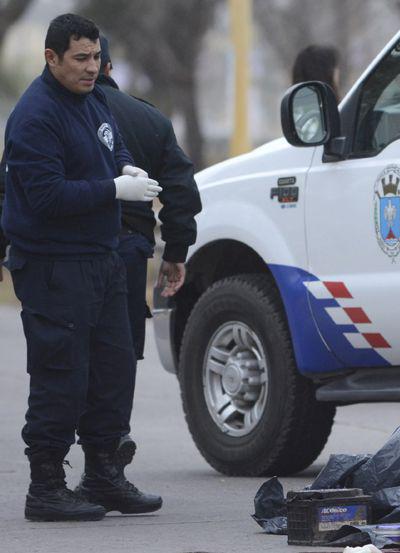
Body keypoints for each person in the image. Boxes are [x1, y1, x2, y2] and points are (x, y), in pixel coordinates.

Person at [0, 14, 162, 522]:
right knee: (61, 376)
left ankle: (103, 475)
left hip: (102, 259)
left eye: (95, 57)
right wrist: (114, 190)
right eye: (80, 59)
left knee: (111, 373)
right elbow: (46, 196)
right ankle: (46, 486)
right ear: (51, 58)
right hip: (54, 264)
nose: (92, 67)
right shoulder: (35, 116)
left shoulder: (91, 99)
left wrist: (126, 167)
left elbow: (112, 146)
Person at [95, 36, 201, 368]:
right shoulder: (148, 119)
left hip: (62, 256)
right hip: (127, 251)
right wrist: (175, 253)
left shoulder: (43, 115)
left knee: (63, 368)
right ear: (110, 68)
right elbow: (181, 189)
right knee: (116, 368)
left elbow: (12, 183)